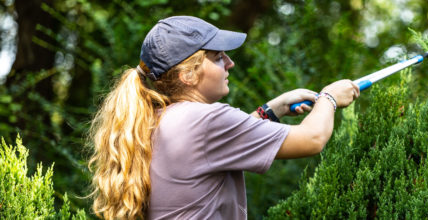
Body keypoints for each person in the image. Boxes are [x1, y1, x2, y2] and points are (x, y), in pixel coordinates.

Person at [88, 16, 359, 219]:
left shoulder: (153, 119)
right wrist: (330, 98)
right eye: (218, 57)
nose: (230, 63)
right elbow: (312, 139)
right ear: (188, 74)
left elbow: (216, 146)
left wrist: (273, 109)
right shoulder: (205, 121)